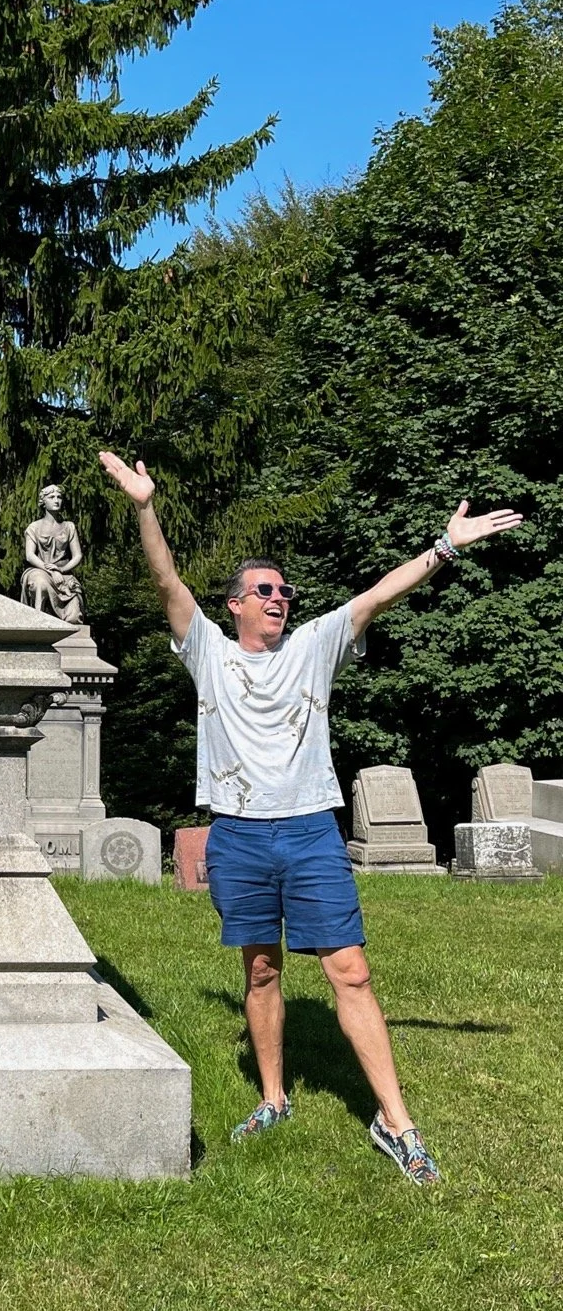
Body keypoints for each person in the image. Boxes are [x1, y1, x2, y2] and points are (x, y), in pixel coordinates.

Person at [98, 448, 524, 1186]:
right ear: (233, 604)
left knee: (349, 973)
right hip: (236, 832)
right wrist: (145, 506)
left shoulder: (316, 646)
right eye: (265, 589)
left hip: (307, 830)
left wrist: (446, 546)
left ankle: (397, 1122)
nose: (280, 597)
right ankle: (274, 1099)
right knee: (260, 972)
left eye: (285, 590)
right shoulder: (207, 653)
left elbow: (378, 595)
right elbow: (165, 577)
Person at [21, 483, 84, 624]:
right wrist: (51, 571)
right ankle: (38, 623)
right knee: (40, 583)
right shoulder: (34, 527)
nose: (56, 500)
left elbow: (78, 555)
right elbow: (30, 555)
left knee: (74, 618)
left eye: (59, 497)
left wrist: (60, 570)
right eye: (51, 497)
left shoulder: (69, 527)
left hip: (64, 574)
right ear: (43, 501)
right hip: (40, 570)